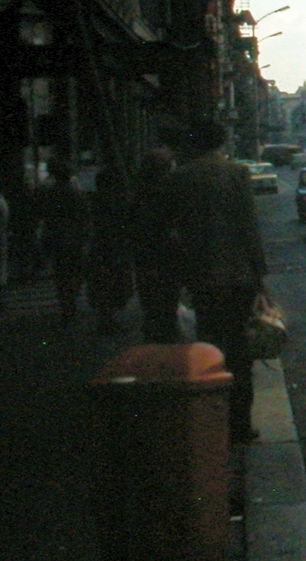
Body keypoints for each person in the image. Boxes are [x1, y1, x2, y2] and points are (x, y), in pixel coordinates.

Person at [161, 119, 268, 444]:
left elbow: (172, 231)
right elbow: (248, 227)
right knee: (240, 351)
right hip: (237, 276)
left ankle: (214, 421)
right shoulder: (237, 174)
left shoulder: (179, 177)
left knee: (209, 346)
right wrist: (259, 274)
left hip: (200, 277)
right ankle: (240, 424)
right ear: (222, 141)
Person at [132, 146, 178, 342]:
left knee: (151, 304)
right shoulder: (170, 191)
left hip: (145, 257)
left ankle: (154, 339)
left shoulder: (138, 192)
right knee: (168, 303)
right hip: (167, 256)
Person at [37, 159, 90, 325]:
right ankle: (70, 306)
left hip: (57, 238)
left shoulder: (50, 193)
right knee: (74, 274)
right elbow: (83, 216)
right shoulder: (75, 193)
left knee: (61, 275)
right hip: (73, 238)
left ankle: (66, 308)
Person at [87, 162, 135, 334]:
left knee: (103, 284)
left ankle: (106, 319)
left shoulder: (94, 200)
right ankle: (109, 319)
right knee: (114, 283)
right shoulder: (118, 202)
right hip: (114, 248)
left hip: (100, 248)